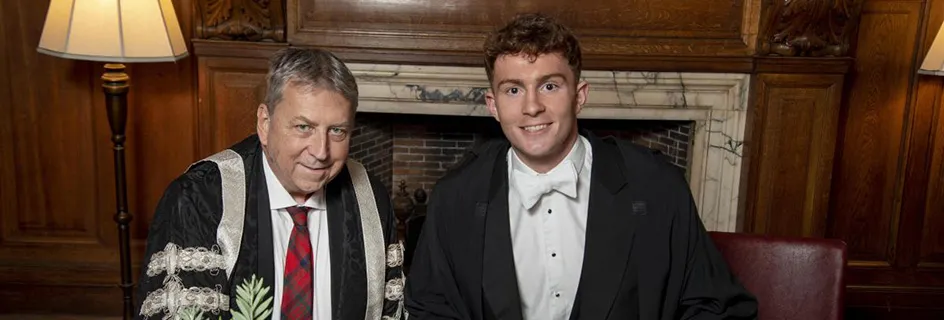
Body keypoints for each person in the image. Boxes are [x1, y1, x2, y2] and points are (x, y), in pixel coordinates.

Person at [404, 13, 758, 320]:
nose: (532, 107)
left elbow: (715, 306)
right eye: (513, 90)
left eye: (549, 86)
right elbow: (430, 308)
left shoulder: (654, 184)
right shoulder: (456, 196)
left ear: (580, 95)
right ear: (493, 105)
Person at [135, 48, 405, 320]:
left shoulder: (371, 200)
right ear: (264, 123)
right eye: (304, 127)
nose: (321, 151)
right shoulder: (200, 199)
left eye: (337, 131)